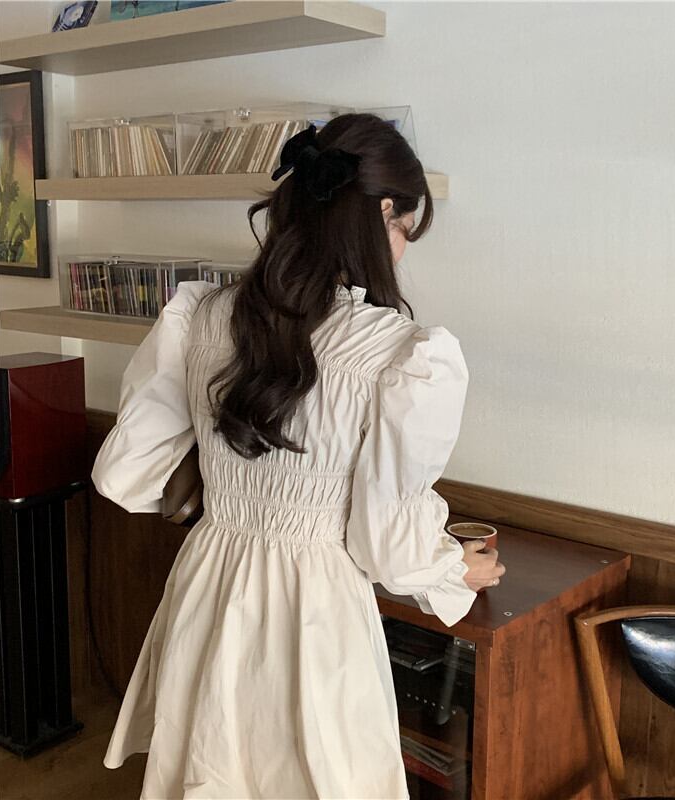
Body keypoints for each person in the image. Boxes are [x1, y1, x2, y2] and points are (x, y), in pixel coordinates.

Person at [91, 113, 506, 799]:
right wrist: (452, 568)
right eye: (406, 229)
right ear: (381, 212)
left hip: (208, 585)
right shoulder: (404, 354)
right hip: (313, 611)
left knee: (209, 767)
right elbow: (388, 549)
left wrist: (234, 491)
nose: (402, 250)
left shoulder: (201, 314)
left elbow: (123, 474)